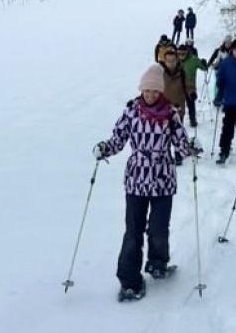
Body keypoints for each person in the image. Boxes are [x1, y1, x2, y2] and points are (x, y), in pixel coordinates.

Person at [92, 64, 200, 301]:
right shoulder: (131, 111)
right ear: (141, 91)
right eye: (146, 91)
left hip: (162, 177)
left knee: (159, 228)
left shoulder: (170, 113)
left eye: (154, 91)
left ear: (160, 91)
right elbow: (118, 139)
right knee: (133, 230)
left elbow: (180, 142)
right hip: (137, 179)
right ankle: (130, 280)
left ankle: (157, 263)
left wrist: (191, 148)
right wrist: (104, 149)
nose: (149, 95)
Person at [162, 48, 189, 165]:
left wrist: (191, 94)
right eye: (168, 61)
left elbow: (188, 85)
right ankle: (166, 154)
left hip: (178, 108)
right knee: (165, 133)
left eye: (173, 61)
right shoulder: (160, 73)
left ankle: (178, 154)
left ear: (177, 61)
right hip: (163, 109)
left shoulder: (182, 73)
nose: (171, 63)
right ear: (165, 61)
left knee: (178, 133)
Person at [178, 44, 207, 127]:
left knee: (191, 104)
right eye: (179, 54)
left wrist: (204, 64)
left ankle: (192, 120)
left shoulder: (193, 59)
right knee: (179, 106)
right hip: (178, 87)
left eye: (183, 54)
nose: (181, 56)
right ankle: (179, 122)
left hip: (190, 87)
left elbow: (204, 67)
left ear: (187, 53)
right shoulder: (175, 60)